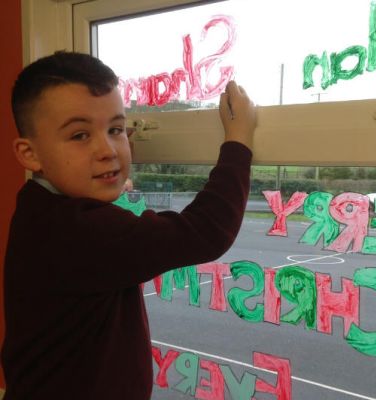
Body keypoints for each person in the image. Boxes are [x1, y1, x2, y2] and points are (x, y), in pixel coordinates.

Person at [2, 51, 256, 399]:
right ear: (29, 154)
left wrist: (98, 176)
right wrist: (239, 139)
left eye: (115, 129)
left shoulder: (38, 208)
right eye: (80, 135)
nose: (107, 150)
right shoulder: (80, 232)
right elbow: (207, 230)